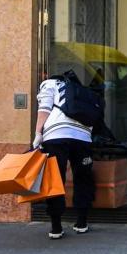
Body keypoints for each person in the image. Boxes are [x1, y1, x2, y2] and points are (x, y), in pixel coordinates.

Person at [33, 70, 96, 240]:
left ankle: (56, 226)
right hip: (83, 138)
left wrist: (38, 134)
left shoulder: (49, 84)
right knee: (83, 179)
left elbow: (44, 109)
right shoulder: (79, 90)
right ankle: (82, 222)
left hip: (56, 136)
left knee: (55, 180)